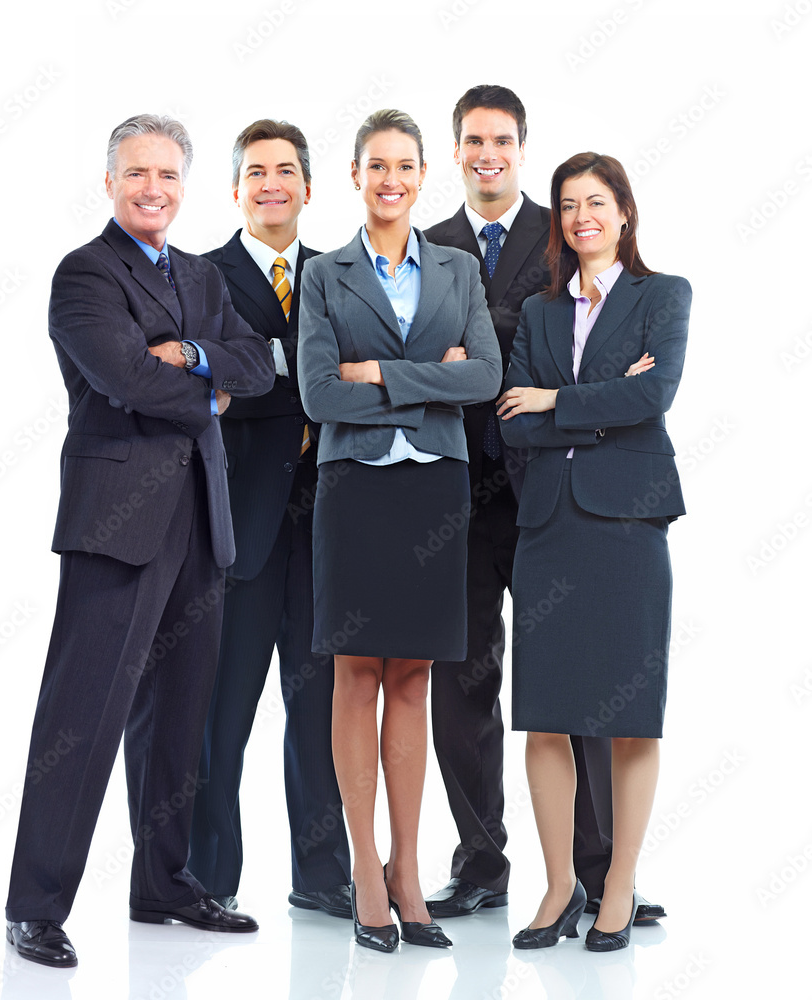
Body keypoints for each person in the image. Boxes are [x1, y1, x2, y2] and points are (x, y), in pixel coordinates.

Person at [4, 114, 275, 968]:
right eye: (135, 173)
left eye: (165, 174)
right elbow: (121, 377)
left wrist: (190, 354)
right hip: (116, 520)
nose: (151, 188)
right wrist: (211, 393)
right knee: (82, 714)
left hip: (200, 514)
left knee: (178, 716)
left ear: (184, 185)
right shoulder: (85, 272)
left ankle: (163, 884)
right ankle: (35, 905)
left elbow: (257, 364)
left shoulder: (201, 274)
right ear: (109, 182)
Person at [424, 85, 666, 924]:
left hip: (559, 498)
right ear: (456, 151)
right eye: (472, 140)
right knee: (460, 683)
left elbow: (554, 347)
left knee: (584, 683)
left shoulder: (563, 229)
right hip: (455, 493)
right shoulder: (429, 244)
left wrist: (488, 362)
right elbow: (435, 352)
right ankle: (479, 861)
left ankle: (599, 873)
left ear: (521, 148)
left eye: (501, 140)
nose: (487, 153)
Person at [298, 109, 501, 953]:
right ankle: (364, 871)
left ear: (424, 175)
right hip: (353, 490)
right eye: (375, 165)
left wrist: (379, 372)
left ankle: (408, 870)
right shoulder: (324, 274)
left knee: (413, 678)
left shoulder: (457, 269)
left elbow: (483, 377)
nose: (390, 179)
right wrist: (428, 382)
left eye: (404, 166)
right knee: (355, 674)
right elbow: (318, 395)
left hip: (432, 492)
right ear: (355, 175)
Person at [498, 152, 690, 950]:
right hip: (549, 526)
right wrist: (596, 406)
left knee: (630, 716)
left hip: (628, 525)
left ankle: (618, 883)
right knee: (545, 715)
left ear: (623, 212)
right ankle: (558, 886)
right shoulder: (538, 311)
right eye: (569, 205)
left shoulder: (662, 295)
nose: (582, 217)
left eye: (596, 202)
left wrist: (558, 399)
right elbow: (513, 421)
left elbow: (655, 394)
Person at [185, 119, 352, 917]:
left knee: (319, 713)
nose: (271, 184)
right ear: (235, 189)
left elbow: (343, 381)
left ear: (308, 188)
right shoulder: (199, 278)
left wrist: (261, 370)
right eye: (256, 171)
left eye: (285, 170)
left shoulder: (338, 274)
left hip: (327, 530)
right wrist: (309, 379)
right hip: (237, 528)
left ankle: (321, 878)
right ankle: (204, 880)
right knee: (220, 715)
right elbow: (206, 387)